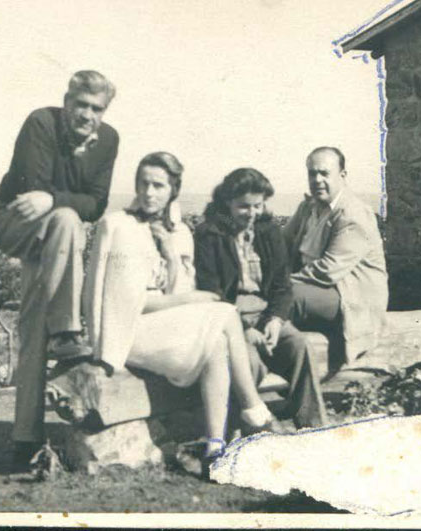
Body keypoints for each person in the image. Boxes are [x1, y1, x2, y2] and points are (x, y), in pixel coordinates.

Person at [83, 152, 281, 473]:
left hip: (163, 329)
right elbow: (129, 304)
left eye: (158, 186)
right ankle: (255, 411)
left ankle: (216, 447)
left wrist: (174, 258)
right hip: (128, 332)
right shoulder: (117, 226)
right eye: (143, 183)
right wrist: (195, 300)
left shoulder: (178, 232)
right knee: (226, 313)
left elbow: (178, 292)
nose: (149, 192)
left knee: (216, 342)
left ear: (173, 189)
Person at [0, 70, 118, 470]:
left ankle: (25, 437)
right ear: (66, 101)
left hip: (56, 233)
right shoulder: (41, 122)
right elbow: (32, 189)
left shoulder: (108, 140)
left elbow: (98, 203)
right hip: (9, 219)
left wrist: (55, 197)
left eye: (97, 108)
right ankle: (68, 331)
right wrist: (59, 198)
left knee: (33, 319)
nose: (87, 115)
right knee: (67, 221)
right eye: (80, 105)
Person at [194, 168, 327, 428]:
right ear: (227, 202)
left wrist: (275, 319)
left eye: (257, 206)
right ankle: (243, 432)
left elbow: (282, 285)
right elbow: (211, 292)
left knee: (300, 347)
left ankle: (314, 427)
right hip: (229, 320)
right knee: (249, 363)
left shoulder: (268, 232)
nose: (252, 213)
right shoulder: (209, 235)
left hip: (266, 315)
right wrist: (244, 329)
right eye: (244, 207)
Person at [283, 147, 388, 375]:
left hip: (352, 297)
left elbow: (328, 270)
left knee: (285, 297)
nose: (317, 180)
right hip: (319, 291)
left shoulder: (353, 213)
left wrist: (281, 283)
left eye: (324, 173)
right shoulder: (308, 208)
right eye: (312, 174)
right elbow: (282, 245)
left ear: (342, 176)